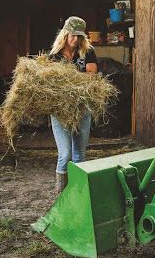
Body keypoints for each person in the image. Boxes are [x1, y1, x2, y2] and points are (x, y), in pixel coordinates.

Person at [48, 16, 98, 193]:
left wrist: (67, 79)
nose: (76, 39)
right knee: (65, 154)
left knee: (80, 154)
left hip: (82, 107)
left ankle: (78, 191)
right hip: (60, 110)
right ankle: (61, 191)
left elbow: (91, 75)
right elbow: (52, 83)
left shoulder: (87, 51)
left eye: (79, 36)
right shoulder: (54, 56)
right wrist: (77, 78)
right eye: (73, 35)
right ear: (65, 33)